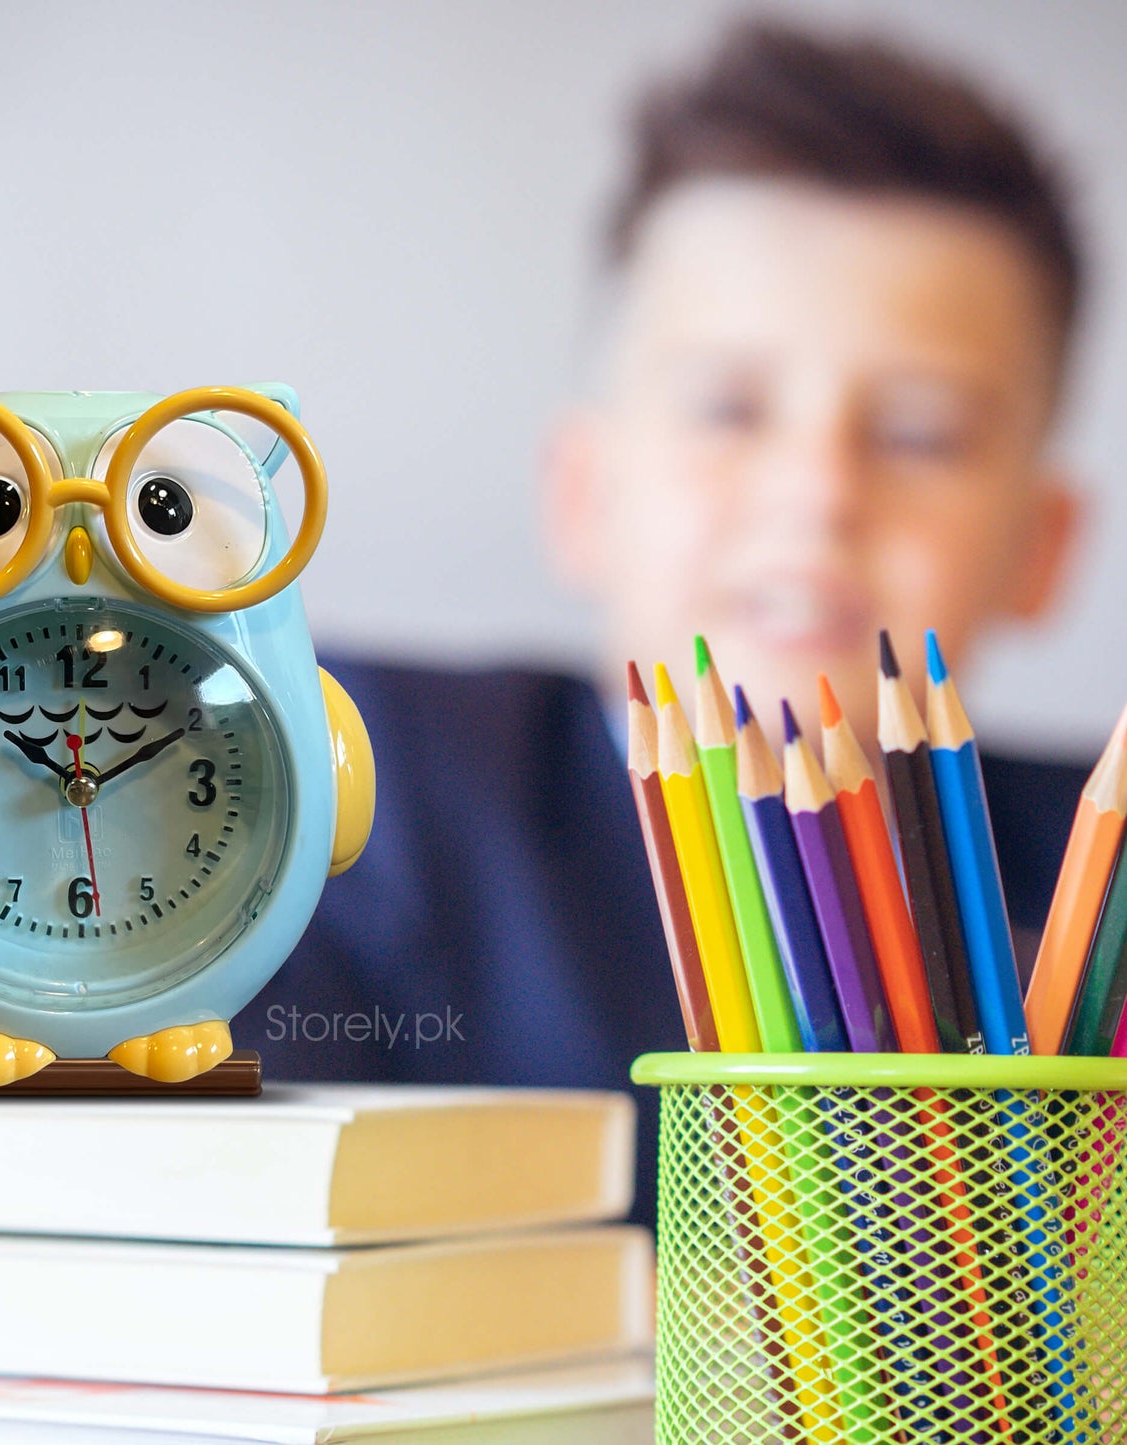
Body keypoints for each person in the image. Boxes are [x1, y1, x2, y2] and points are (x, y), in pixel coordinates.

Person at [235, 19, 1092, 1228]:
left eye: (918, 433)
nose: (816, 491)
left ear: (1040, 548)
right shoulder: (332, 786)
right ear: (581, 495)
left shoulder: (1091, 893)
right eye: (726, 407)